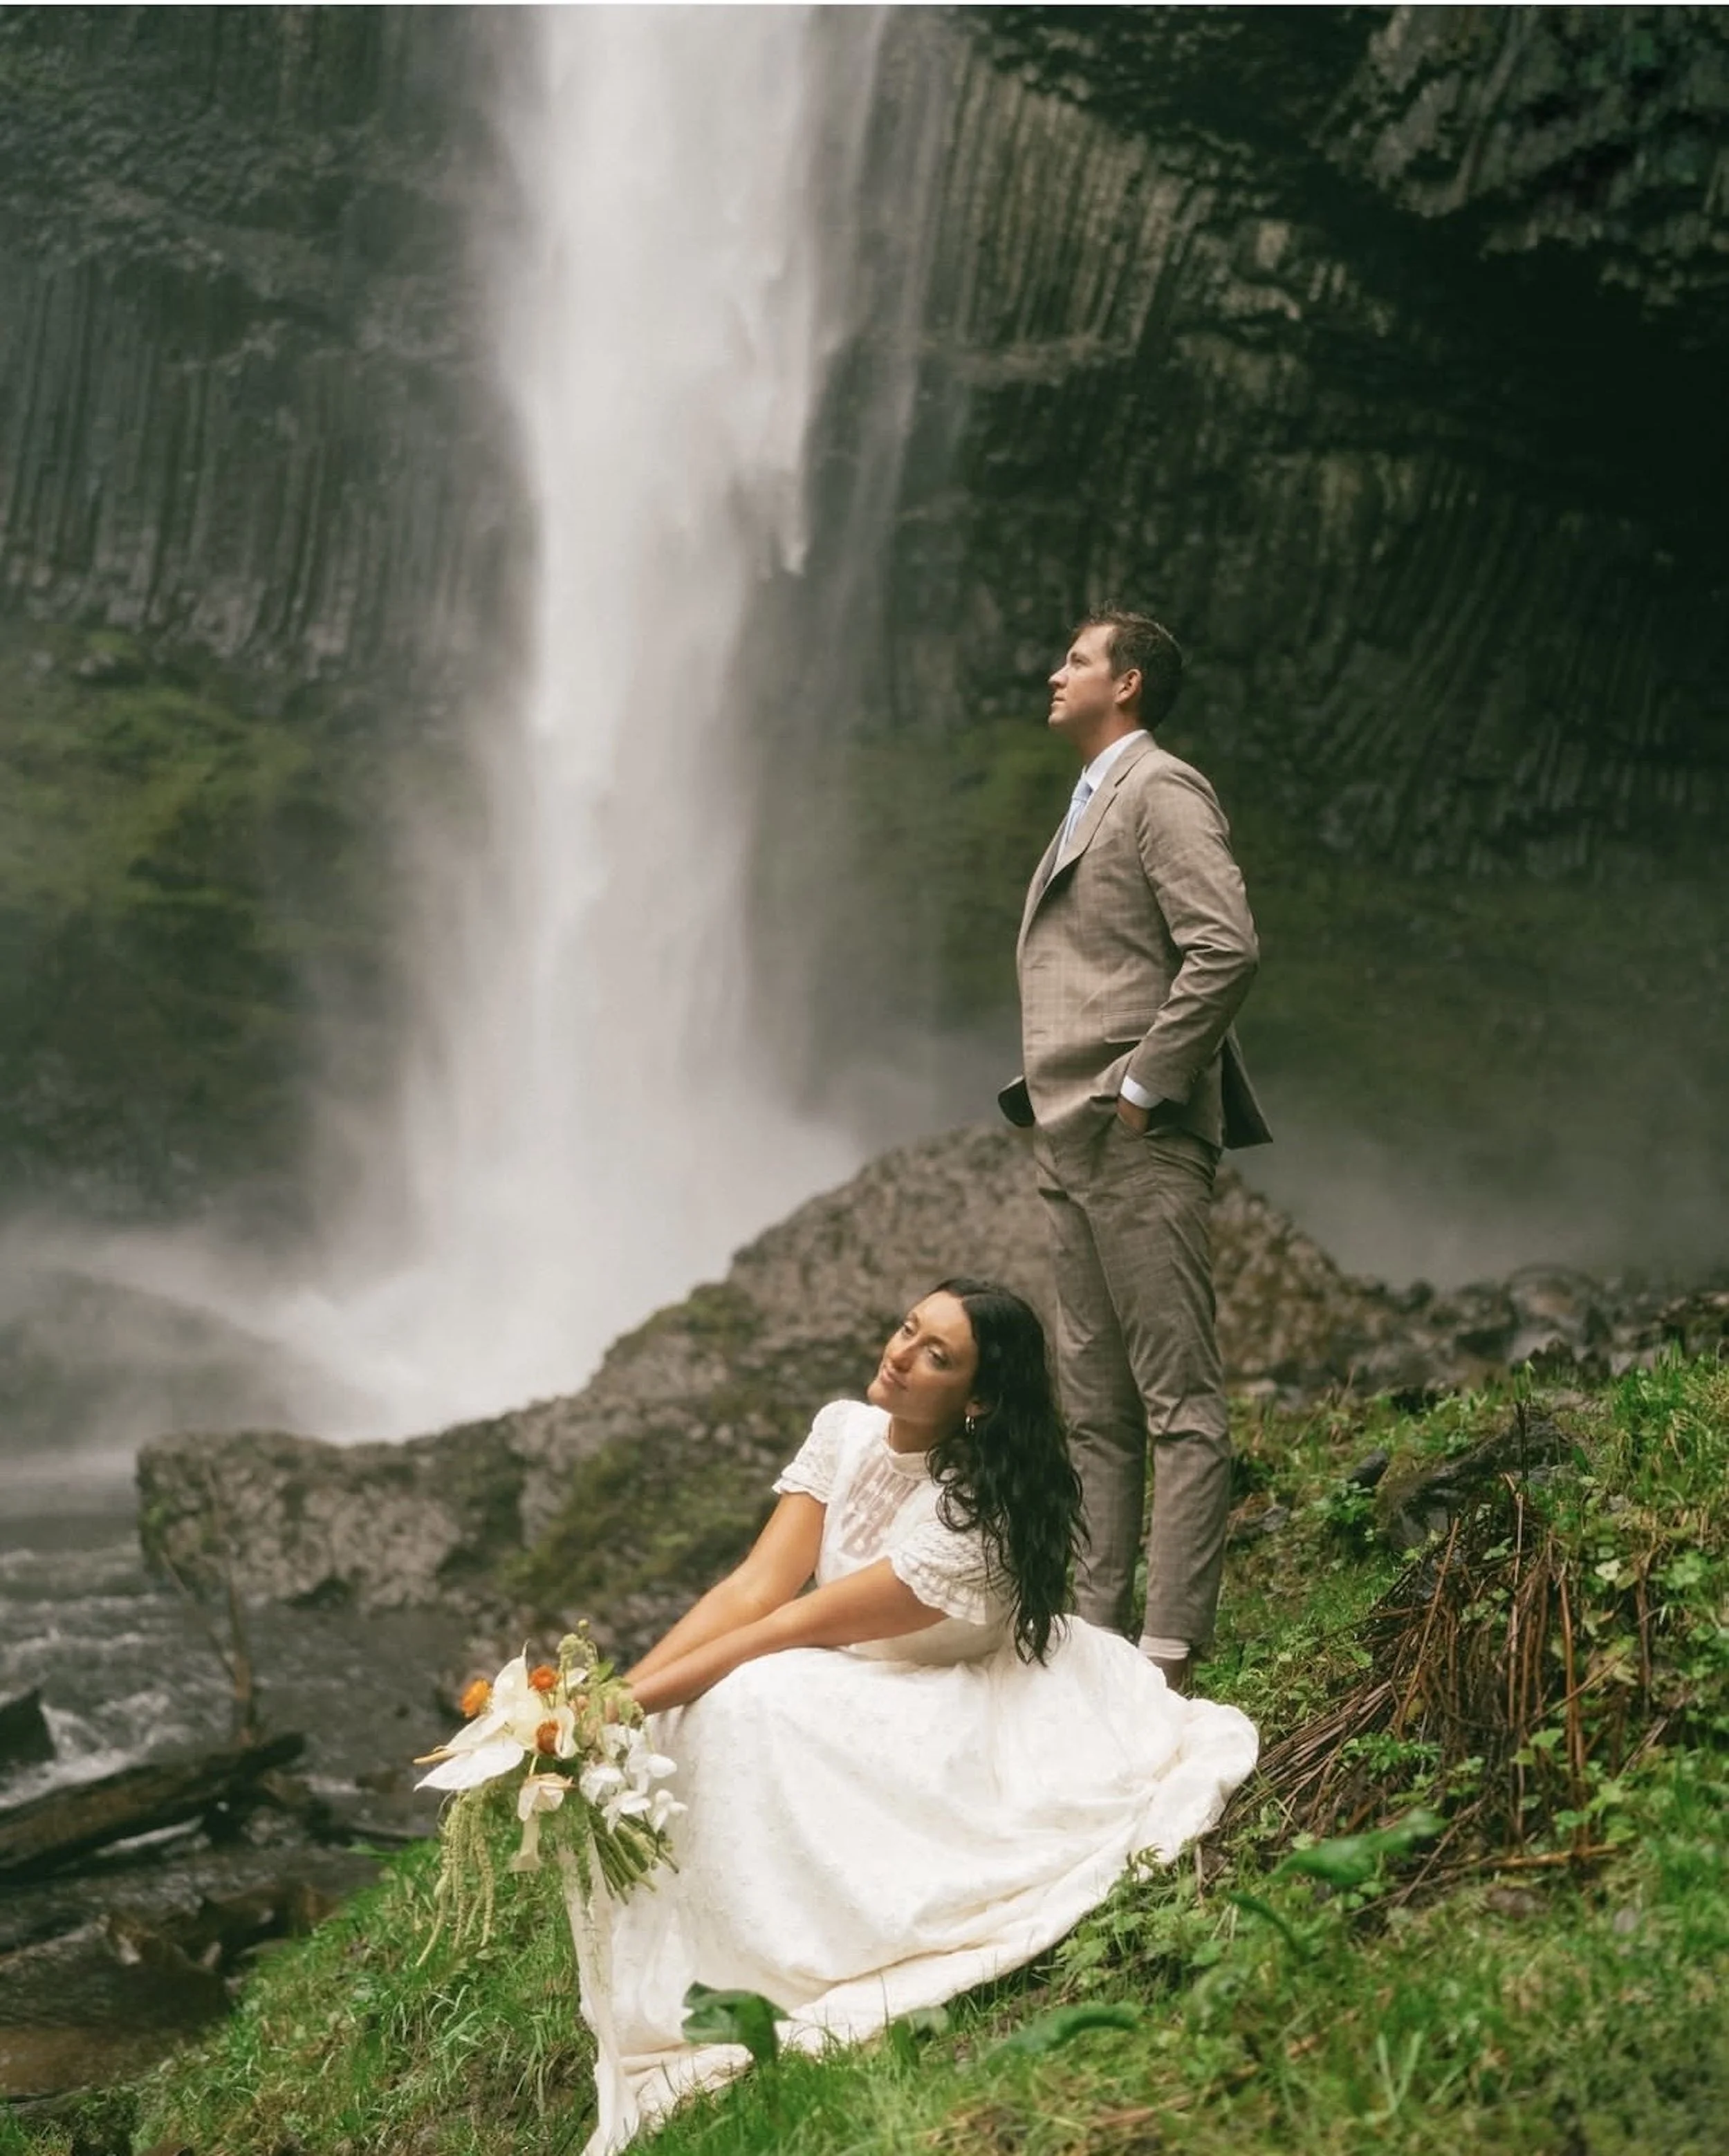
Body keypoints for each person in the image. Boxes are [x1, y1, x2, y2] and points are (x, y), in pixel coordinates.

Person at [598, 1279, 1257, 2147]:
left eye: (935, 1355)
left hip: (943, 1703)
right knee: (680, 1714)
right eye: (908, 1329)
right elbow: (752, 1588)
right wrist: (606, 1703)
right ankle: (712, 1930)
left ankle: (776, 1957)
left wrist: (626, 1704)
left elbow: (786, 1625)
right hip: (842, 1673)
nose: (901, 1354)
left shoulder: (972, 1516)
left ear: (978, 1398)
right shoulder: (845, 1428)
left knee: (747, 1697)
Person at [998, 610, 1270, 1696]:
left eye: (1076, 657)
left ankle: (1167, 1647)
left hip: (1134, 1134)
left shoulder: (1159, 788)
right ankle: (1097, 1638)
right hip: (1072, 1136)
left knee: (1177, 1400)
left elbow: (1227, 944)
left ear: (1131, 682)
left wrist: (1145, 1088)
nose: (1054, 671)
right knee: (1097, 1407)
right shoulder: (1089, 800)